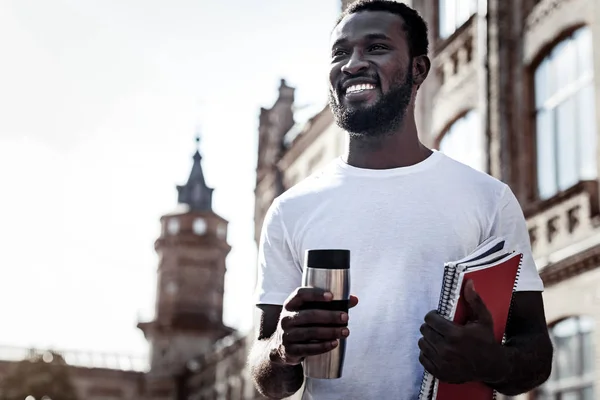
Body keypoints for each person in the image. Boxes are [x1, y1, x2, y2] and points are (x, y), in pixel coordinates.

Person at [248, 1, 553, 399]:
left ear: (418, 69)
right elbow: (269, 380)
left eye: (376, 48)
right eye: (340, 52)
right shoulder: (291, 209)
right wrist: (280, 350)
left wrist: (490, 362)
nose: (353, 63)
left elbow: (537, 353)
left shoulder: (488, 199)